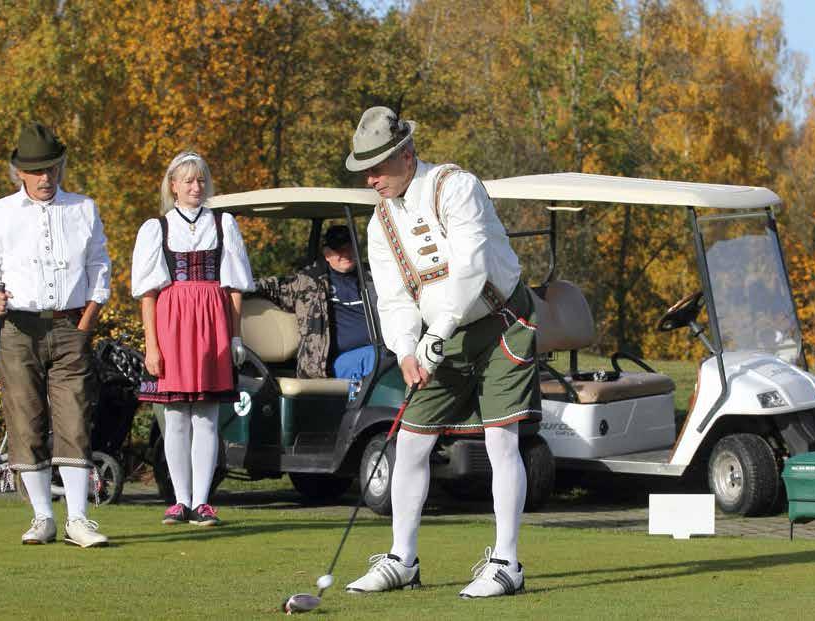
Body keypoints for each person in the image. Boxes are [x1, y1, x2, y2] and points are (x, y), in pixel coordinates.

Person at [343, 107, 541, 598]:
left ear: (406, 155)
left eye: (377, 168)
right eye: (364, 170)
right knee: (411, 442)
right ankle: (401, 560)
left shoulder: (456, 186)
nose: (371, 179)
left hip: (501, 325)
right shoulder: (379, 223)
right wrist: (407, 349)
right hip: (437, 339)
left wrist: (436, 336)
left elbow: (472, 268)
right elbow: (392, 296)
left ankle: (506, 564)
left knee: (501, 443)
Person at [0, 122, 111, 548]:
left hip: (70, 324)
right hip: (18, 327)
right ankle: (43, 516)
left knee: (74, 417)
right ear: (20, 173)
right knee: (24, 418)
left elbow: (99, 265)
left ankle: (79, 520)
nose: (46, 178)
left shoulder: (83, 208)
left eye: (52, 169)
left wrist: (89, 317)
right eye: (37, 171)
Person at [131, 151, 254, 527]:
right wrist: (151, 345)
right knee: (176, 416)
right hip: (172, 325)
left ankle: (202, 501)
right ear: (173, 186)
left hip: (212, 324)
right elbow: (147, 293)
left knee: (206, 416)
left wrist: (235, 336)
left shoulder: (223, 224)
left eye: (200, 180)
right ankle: (179, 499)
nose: (195, 187)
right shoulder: (158, 228)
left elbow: (234, 286)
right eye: (187, 180)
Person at [254, 225, 376, 380]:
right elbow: (269, 286)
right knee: (377, 358)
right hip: (327, 363)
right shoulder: (309, 282)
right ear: (327, 254)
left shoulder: (372, 276)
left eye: (350, 248)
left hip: (376, 350)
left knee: (396, 355)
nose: (346, 254)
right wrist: (234, 287)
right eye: (339, 250)